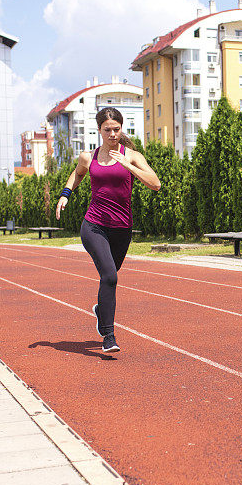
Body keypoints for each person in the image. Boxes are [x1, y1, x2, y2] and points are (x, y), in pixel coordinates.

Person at [56, 107, 160, 352]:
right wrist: (65, 195)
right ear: (99, 130)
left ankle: (100, 310)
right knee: (110, 277)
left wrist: (128, 165)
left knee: (108, 280)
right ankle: (109, 337)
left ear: (121, 129)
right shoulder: (88, 157)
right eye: (107, 130)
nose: (112, 134)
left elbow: (155, 184)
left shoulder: (132, 155)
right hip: (94, 225)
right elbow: (77, 174)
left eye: (116, 129)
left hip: (122, 228)